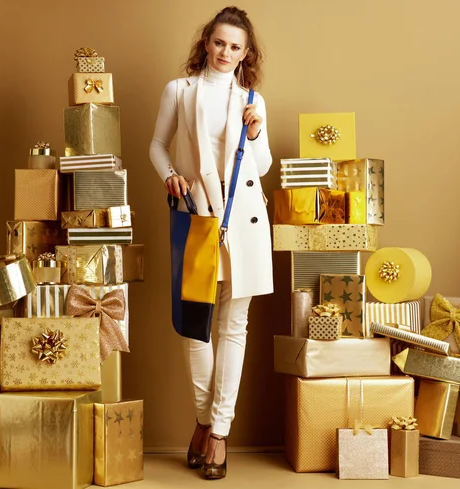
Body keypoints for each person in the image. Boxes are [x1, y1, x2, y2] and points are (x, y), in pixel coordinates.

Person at [149, 6, 273, 479]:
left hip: (243, 221)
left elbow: (259, 166)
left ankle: (218, 431)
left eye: (235, 46)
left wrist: (256, 130)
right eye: (219, 42)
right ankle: (204, 418)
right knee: (195, 325)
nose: (226, 52)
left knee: (233, 327)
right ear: (207, 42)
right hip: (198, 215)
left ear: (245, 54)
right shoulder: (179, 91)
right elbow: (157, 144)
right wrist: (170, 176)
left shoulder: (252, 99)